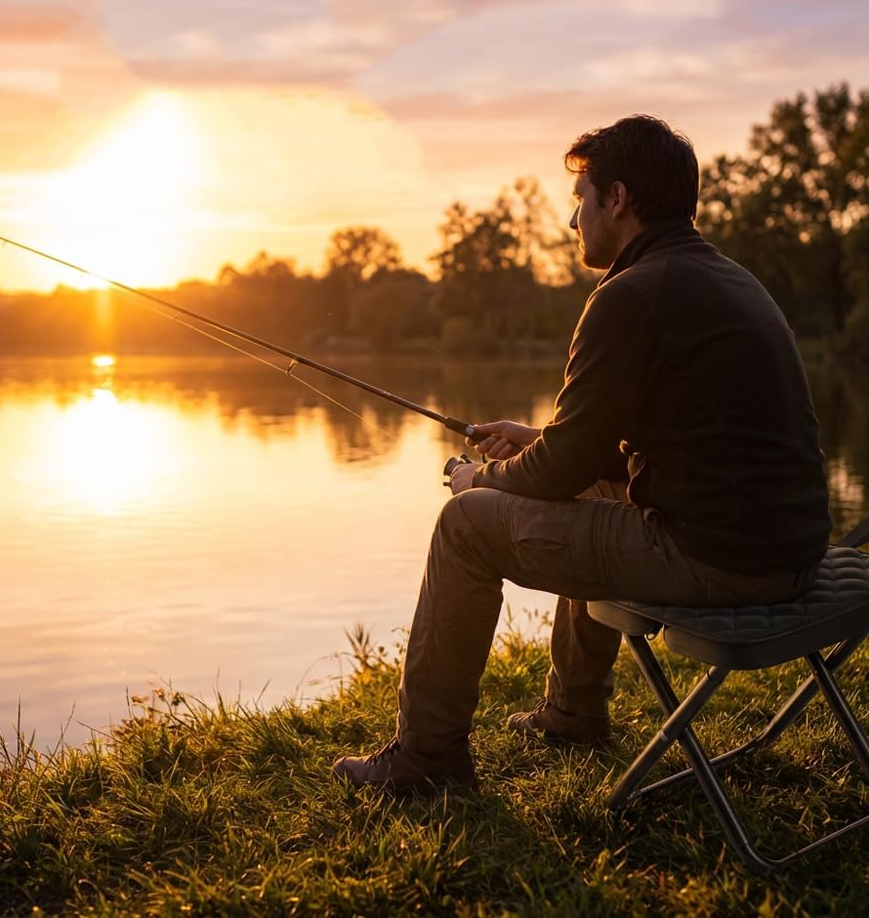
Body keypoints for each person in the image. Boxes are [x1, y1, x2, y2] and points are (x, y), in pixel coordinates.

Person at [333, 114, 831, 792]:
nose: (574, 220)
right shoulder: (724, 278)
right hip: (788, 550)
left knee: (464, 525)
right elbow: (644, 449)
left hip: (723, 561)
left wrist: (482, 478)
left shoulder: (630, 295)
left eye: (582, 198)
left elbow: (564, 469)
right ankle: (572, 713)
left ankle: (425, 763)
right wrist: (541, 441)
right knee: (582, 489)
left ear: (617, 199)